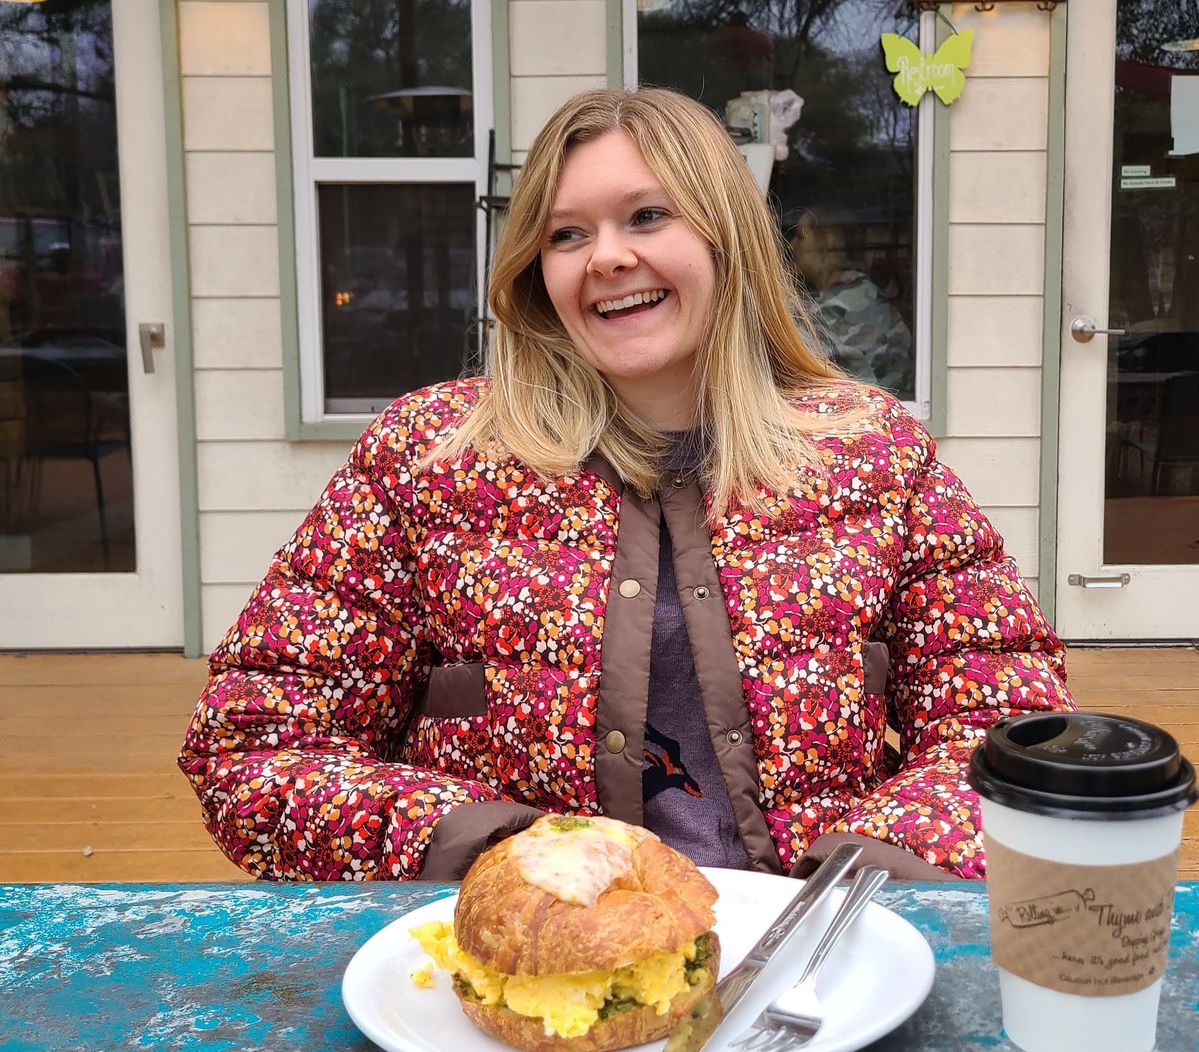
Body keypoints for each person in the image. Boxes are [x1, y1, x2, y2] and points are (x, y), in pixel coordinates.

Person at [179, 86, 1070, 886]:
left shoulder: (869, 451)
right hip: (523, 965)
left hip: (812, 959)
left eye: (647, 216)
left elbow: (1012, 727)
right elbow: (256, 742)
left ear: (726, 236)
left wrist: (859, 877)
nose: (605, 256)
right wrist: (491, 856)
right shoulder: (428, 457)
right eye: (566, 234)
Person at [788, 204, 913, 393]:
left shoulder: (827, 314)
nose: (791, 245)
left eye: (800, 237)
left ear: (827, 242)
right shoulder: (871, 296)